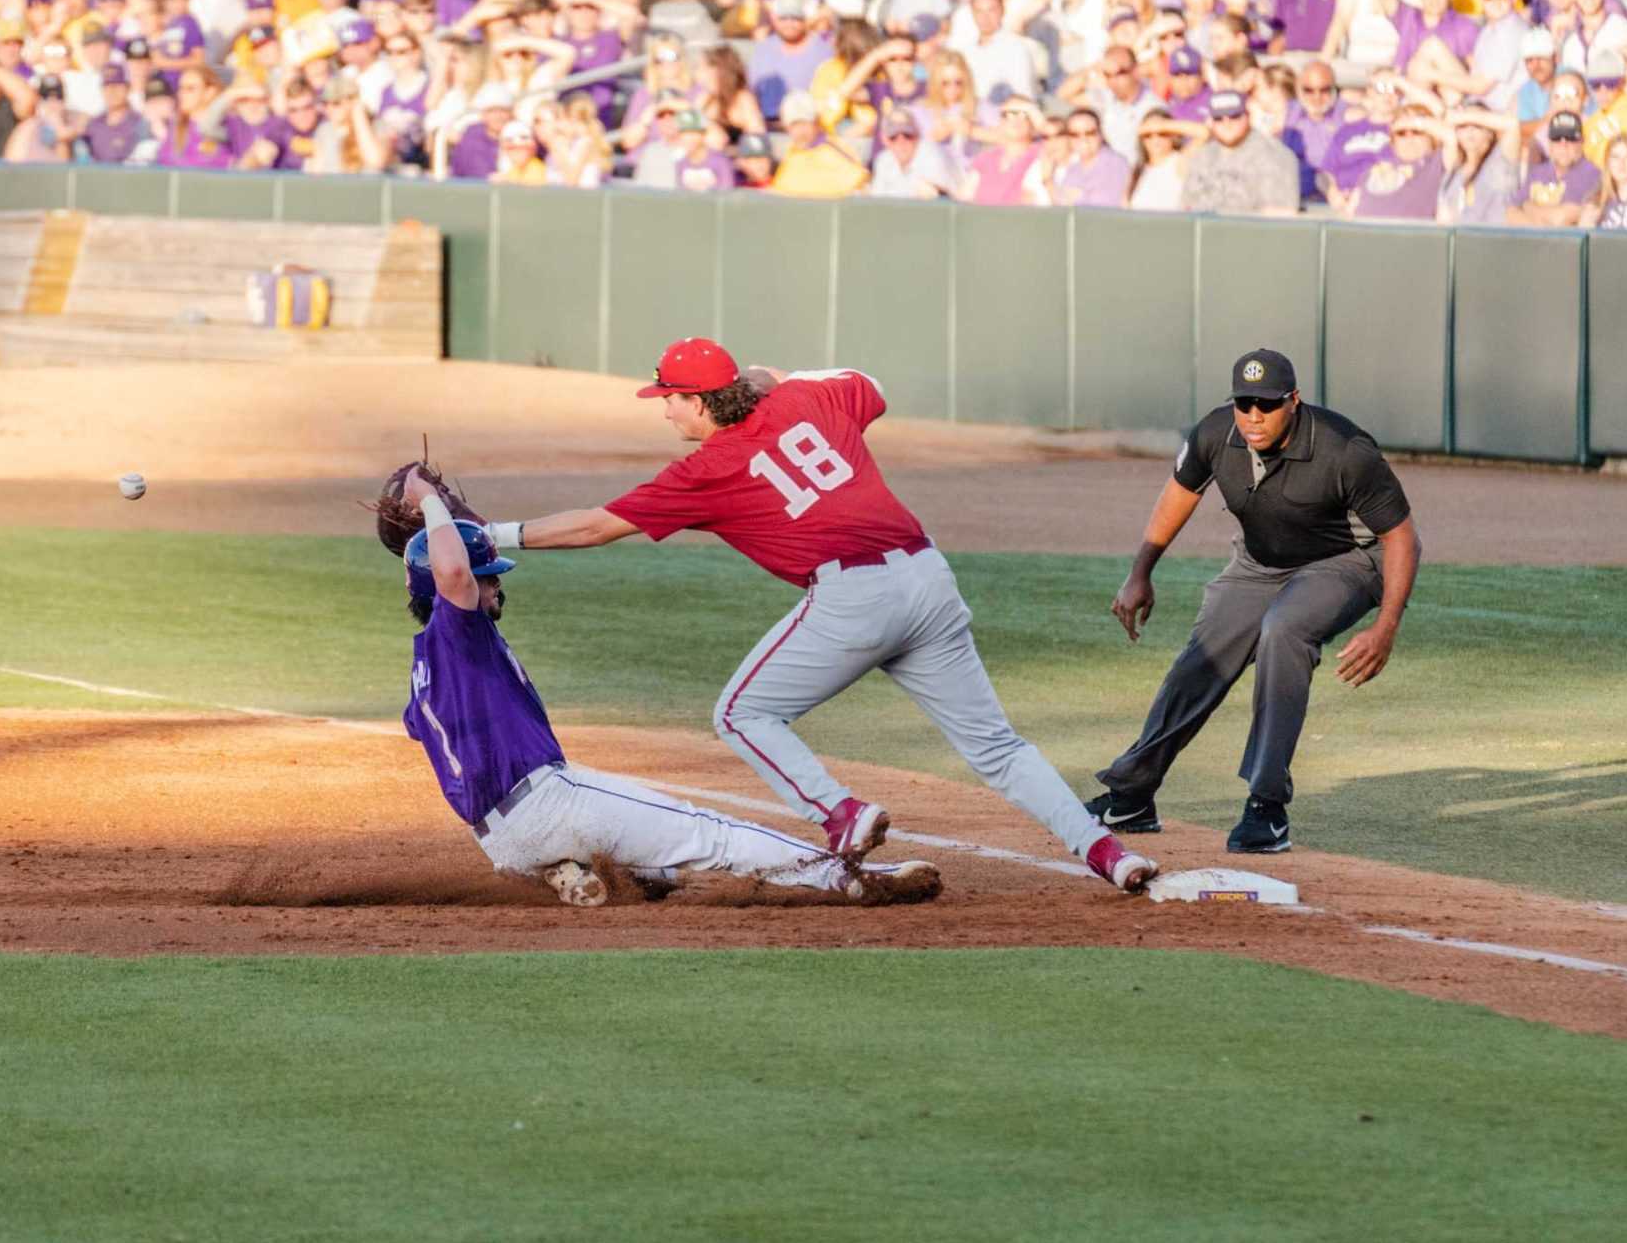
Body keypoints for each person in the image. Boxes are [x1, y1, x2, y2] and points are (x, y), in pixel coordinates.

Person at [483, 337, 1159, 892]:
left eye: (670, 400)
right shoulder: (808, 395)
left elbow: (593, 527)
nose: (664, 413)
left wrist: (491, 534)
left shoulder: (705, 469)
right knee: (998, 747)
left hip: (856, 597)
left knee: (740, 713)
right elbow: (869, 383)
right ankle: (1108, 854)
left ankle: (841, 812)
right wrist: (776, 380)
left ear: (700, 402)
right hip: (929, 578)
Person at [391, 471, 940, 909]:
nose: (496, 584)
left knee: (659, 876)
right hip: (552, 805)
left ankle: (571, 869)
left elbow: (419, 725)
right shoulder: (455, 631)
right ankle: (848, 878)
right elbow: (455, 578)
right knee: (712, 834)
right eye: (492, 577)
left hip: (501, 842)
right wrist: (430, 502)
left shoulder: (427, 672)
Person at [1087, 350, 1420, 854]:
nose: (1253, 416)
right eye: (1244, 403)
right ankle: (1133, 793)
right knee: (1203, 658)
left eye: (1266, 404)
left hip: (1349, 561)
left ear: (1293, 401)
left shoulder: (1344, 449)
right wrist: (1140, 573)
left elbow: (1401, 539)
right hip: (1260, 563)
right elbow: (1178, 493)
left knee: (1283, 630)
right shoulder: (1217, 434)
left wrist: (1387, 626)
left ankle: (1267, 806)